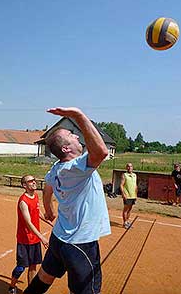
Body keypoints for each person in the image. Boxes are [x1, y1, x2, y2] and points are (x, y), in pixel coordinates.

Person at [23, 107, 111, 294]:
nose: (77, 137)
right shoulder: (76, 167)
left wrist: (49, 210)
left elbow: (47, 189)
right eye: (72, 135)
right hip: (80, 243)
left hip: (59, 239)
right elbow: (102, 151)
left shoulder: (56, 168)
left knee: (43, 280)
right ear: (66, 148)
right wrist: (79, 115)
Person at [8, 175, 49, 294]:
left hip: (34, 239)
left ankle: (32, 291)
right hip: (24, 239)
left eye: (34, 180)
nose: (33, 182)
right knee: (21, 267)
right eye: (30, 181)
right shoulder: (23, 202)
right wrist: (41, 237)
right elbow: (28, 222)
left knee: (33, 266)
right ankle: (11, 286)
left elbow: (37, 211)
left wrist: (49, 221)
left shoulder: (35, 196)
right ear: (24, 185)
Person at [120, 163, 137, 229]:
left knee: (130, 209)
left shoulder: (135, 175)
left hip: (133, 195)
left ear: (132, 167)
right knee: (125, 209)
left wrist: (136, 194)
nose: (130, 167)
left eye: (131, 166)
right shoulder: (124, 175)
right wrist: (123, 194)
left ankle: (127, 221)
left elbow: (135, 186)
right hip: (127, 195)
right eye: (128, 166)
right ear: (126, 168)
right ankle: (124, 223)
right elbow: (121, 185)